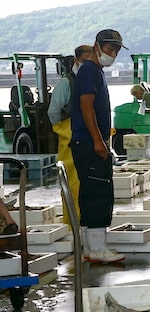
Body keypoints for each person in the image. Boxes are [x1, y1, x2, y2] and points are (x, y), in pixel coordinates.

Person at [70, 29, 128, 263]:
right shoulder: (89, 70)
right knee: (98, 193)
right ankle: (96, 250)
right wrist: (97, 139)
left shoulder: (96, 71)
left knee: (93, 192)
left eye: (115, 50)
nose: (112, 53)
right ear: (97, 45)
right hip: (88, 142)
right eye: (108, 48)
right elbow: (86, 106)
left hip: (91, 142)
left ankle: (91, 248)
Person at [48, 45, 92, 227]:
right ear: (76, 60)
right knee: (72, 182)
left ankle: (87, 221)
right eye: (84, 62)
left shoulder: (92, 80)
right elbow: (53, 111)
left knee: (88, 182)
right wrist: (63, 129)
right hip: (70, 137)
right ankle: (71, 223)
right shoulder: (66, 83)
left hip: (89, 137)